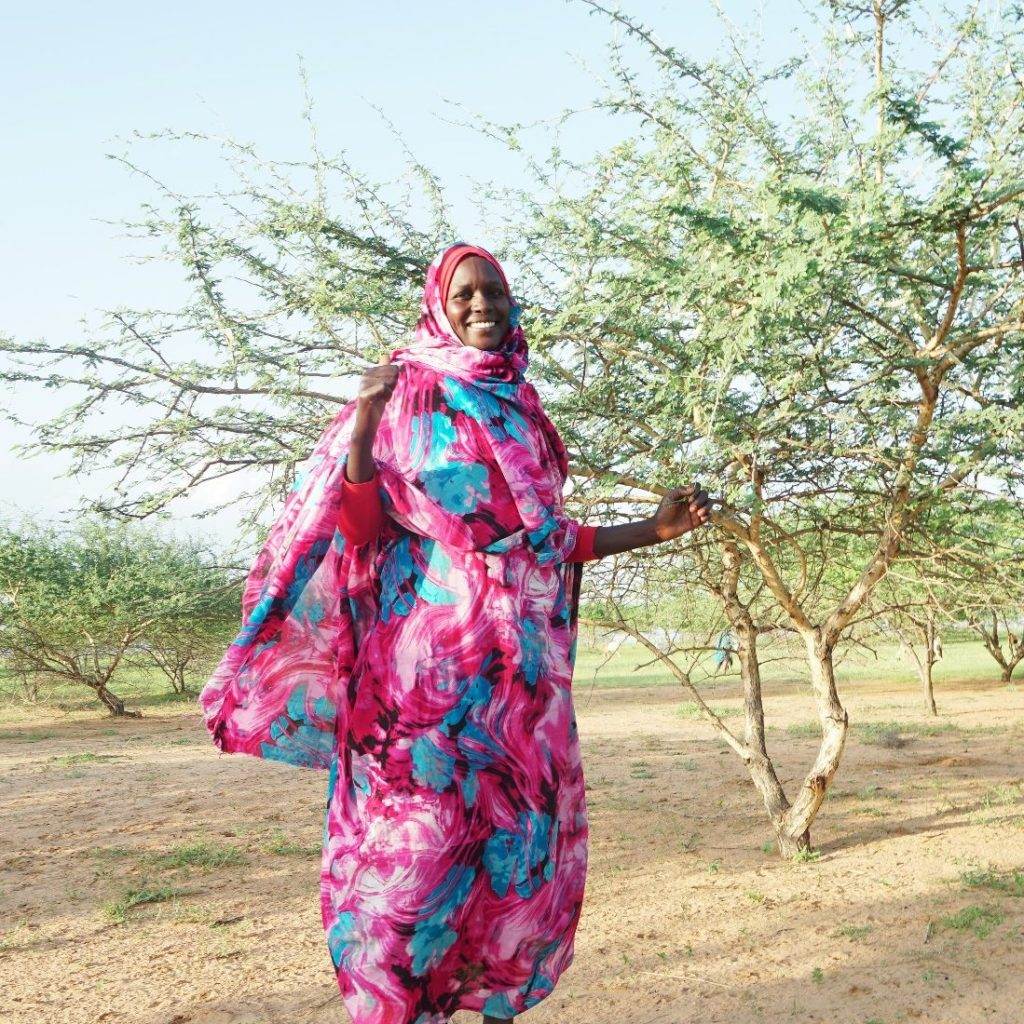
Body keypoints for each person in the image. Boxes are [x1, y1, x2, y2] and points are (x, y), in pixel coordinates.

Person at [199, 242, 712, 1024]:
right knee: (405, 877)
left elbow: (543, 539)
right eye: (465, 292)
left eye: (494, 292)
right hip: (418, 687)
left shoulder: (522, 408)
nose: (481, 305)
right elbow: (361, 524)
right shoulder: (405, 393)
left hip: (515, 693)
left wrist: (652, 530)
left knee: (499, 868)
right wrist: (367, 425)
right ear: (440, 302)